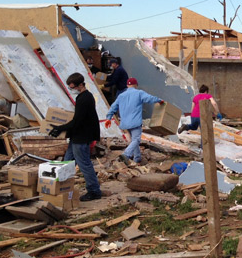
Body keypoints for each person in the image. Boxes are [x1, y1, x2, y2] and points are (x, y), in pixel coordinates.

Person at [49, 72, 102, 201]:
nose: (71, 90)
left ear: (80, 85)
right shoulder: (83, 97)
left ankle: (94, 191)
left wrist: (60, 128)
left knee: (84, 164)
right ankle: (62, 187)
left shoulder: (85, 99)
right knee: (67, 162)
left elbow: (78, 120)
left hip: (82, 137)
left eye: (72, 88)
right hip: (77, 137)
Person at [105, 78, 163, 165]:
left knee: (133, 140)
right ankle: (126, 154)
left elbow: (113, 107)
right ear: (136, 85)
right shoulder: (139, 93)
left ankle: (137, 158)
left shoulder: (121, 96)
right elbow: (149, 98)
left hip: (125, 123)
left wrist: (108, 118)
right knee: (136, 140)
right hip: (135, 122)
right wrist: (159, 100)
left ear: (127, 85)